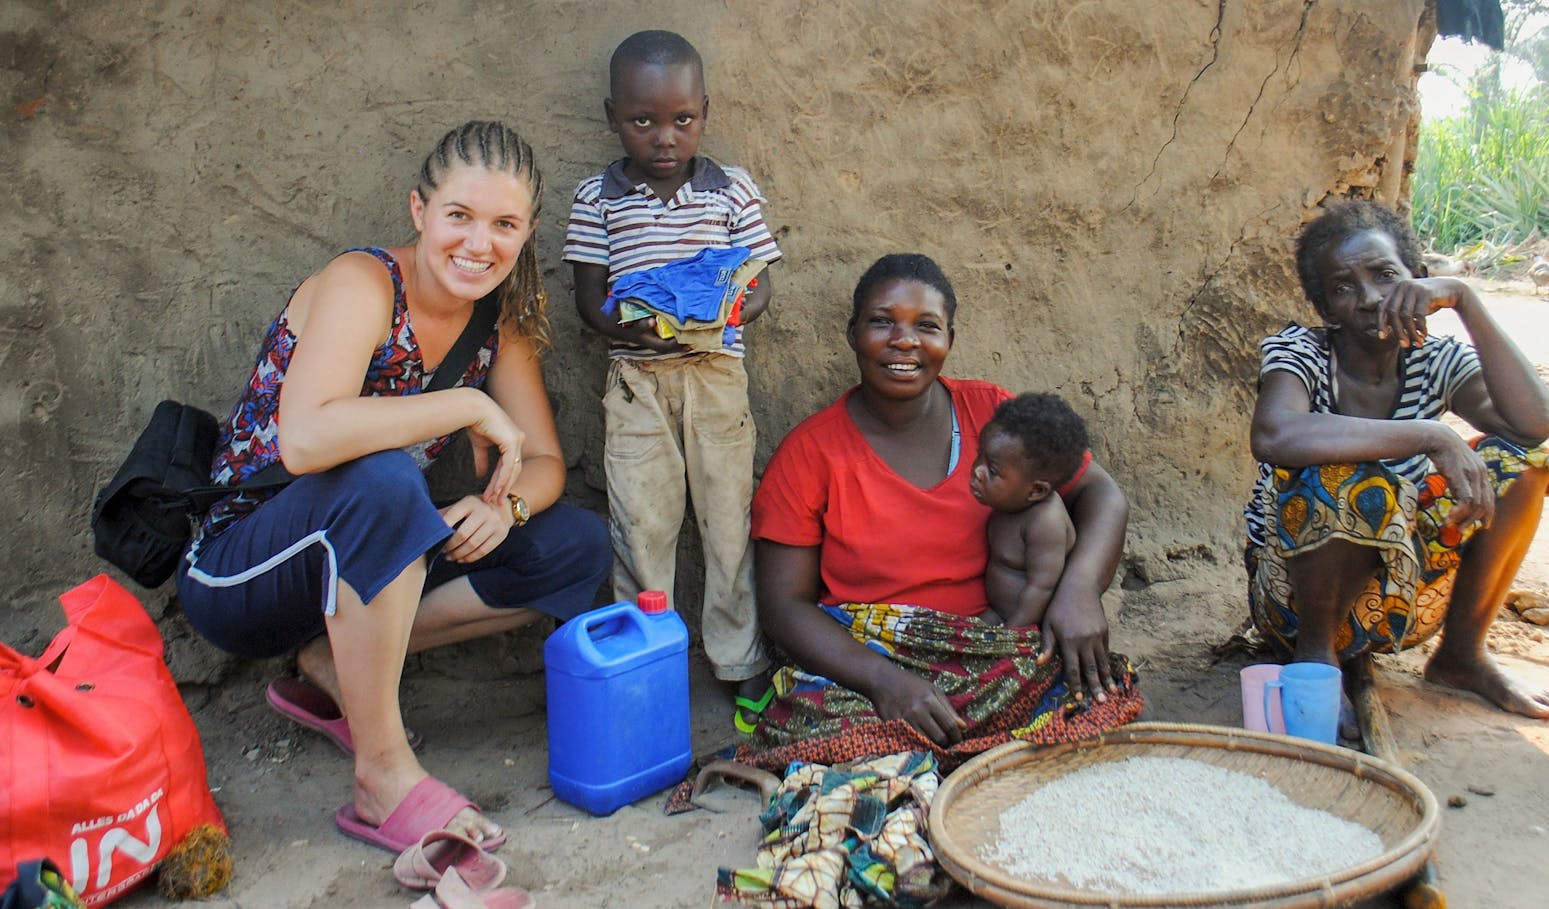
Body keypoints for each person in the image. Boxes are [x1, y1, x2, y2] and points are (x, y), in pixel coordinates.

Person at [177, 121, 612, 852]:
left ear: (529, 230)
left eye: (504, 224)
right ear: (419, 211)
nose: (480, 244)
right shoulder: (363, 282)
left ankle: (326, 664)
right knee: (382, 481)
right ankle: (383, 774)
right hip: (242, 566)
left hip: (372, 543)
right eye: (459, 217)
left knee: (575, 543)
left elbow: (544, 462)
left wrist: (503, 506)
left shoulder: (494, 325)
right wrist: (469, 405)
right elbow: (308, 437)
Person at [748, 253, 1141, 761]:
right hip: (872, 663)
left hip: (997, 646)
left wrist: (1080, 589)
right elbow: (784, 607)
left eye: (926, 326)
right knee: (823, 731)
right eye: (882, 321)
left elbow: (1102, 495)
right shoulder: (809, 454)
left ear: (949, 340)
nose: (904, 341)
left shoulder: (994, 417)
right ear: (852, 333)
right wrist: (886, 682)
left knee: (1098, 697)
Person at [1244, 199, 1549, 734]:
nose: (1370, 297)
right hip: (1295, 603)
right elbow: (1274, 434)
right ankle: (1315, 664)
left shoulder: (1436, 358)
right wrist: (1431, 434)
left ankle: (1461, 657)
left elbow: (1534, 423)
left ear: (1419, 280)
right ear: (1327, 308)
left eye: (1385, 275)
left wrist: (1466, 299)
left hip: (1406, 596)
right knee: (1346, 477)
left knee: (1525, 465)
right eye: (1343, 287)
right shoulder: (1301, 351)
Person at [563, 29, 782, 734]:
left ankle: (739, 657)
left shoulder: (733, 188)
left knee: (727, 522)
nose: (664, 136)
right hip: (637, 383)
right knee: (642, 523)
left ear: (705, 112)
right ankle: (649, 664)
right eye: (643, 120)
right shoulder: (598, 197)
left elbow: (761, 281)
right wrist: (626, 323)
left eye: (682, 119)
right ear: (611, 115)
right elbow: (589, 297)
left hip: (717, 375)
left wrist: (726, 306)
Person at [973, 393, 1090, 628]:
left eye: (992, 471)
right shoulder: (1010, 503)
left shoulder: (1045, 523)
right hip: (997, 614)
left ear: (1036, 490)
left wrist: (1011, 635)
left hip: (1030, 627)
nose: (977, 471)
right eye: (979, 457)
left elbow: (1041, 588)